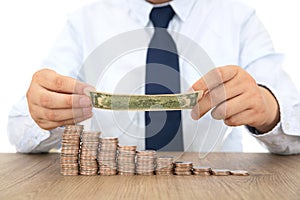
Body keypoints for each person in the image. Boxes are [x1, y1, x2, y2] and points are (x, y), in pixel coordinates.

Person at [8, 0, 300, 154]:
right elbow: (19, 129)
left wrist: (270, 110)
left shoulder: (240, 18)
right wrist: (42, 113)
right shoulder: (83, 22)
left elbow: (294, 122)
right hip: (109, 187)